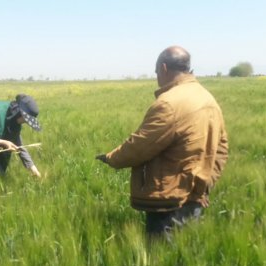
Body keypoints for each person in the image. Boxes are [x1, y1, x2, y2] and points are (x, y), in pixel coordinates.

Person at [96, 46, 228, 239]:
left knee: (160, 258)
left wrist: (111, 158)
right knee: (185, 258)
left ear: (164, 68)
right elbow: (221, 147)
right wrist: (205, 181)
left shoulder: (168, 104)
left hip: (168, 199)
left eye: (157, 71)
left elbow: (140, 146)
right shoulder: (207, 97)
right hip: (196, 195)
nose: (157, 76)